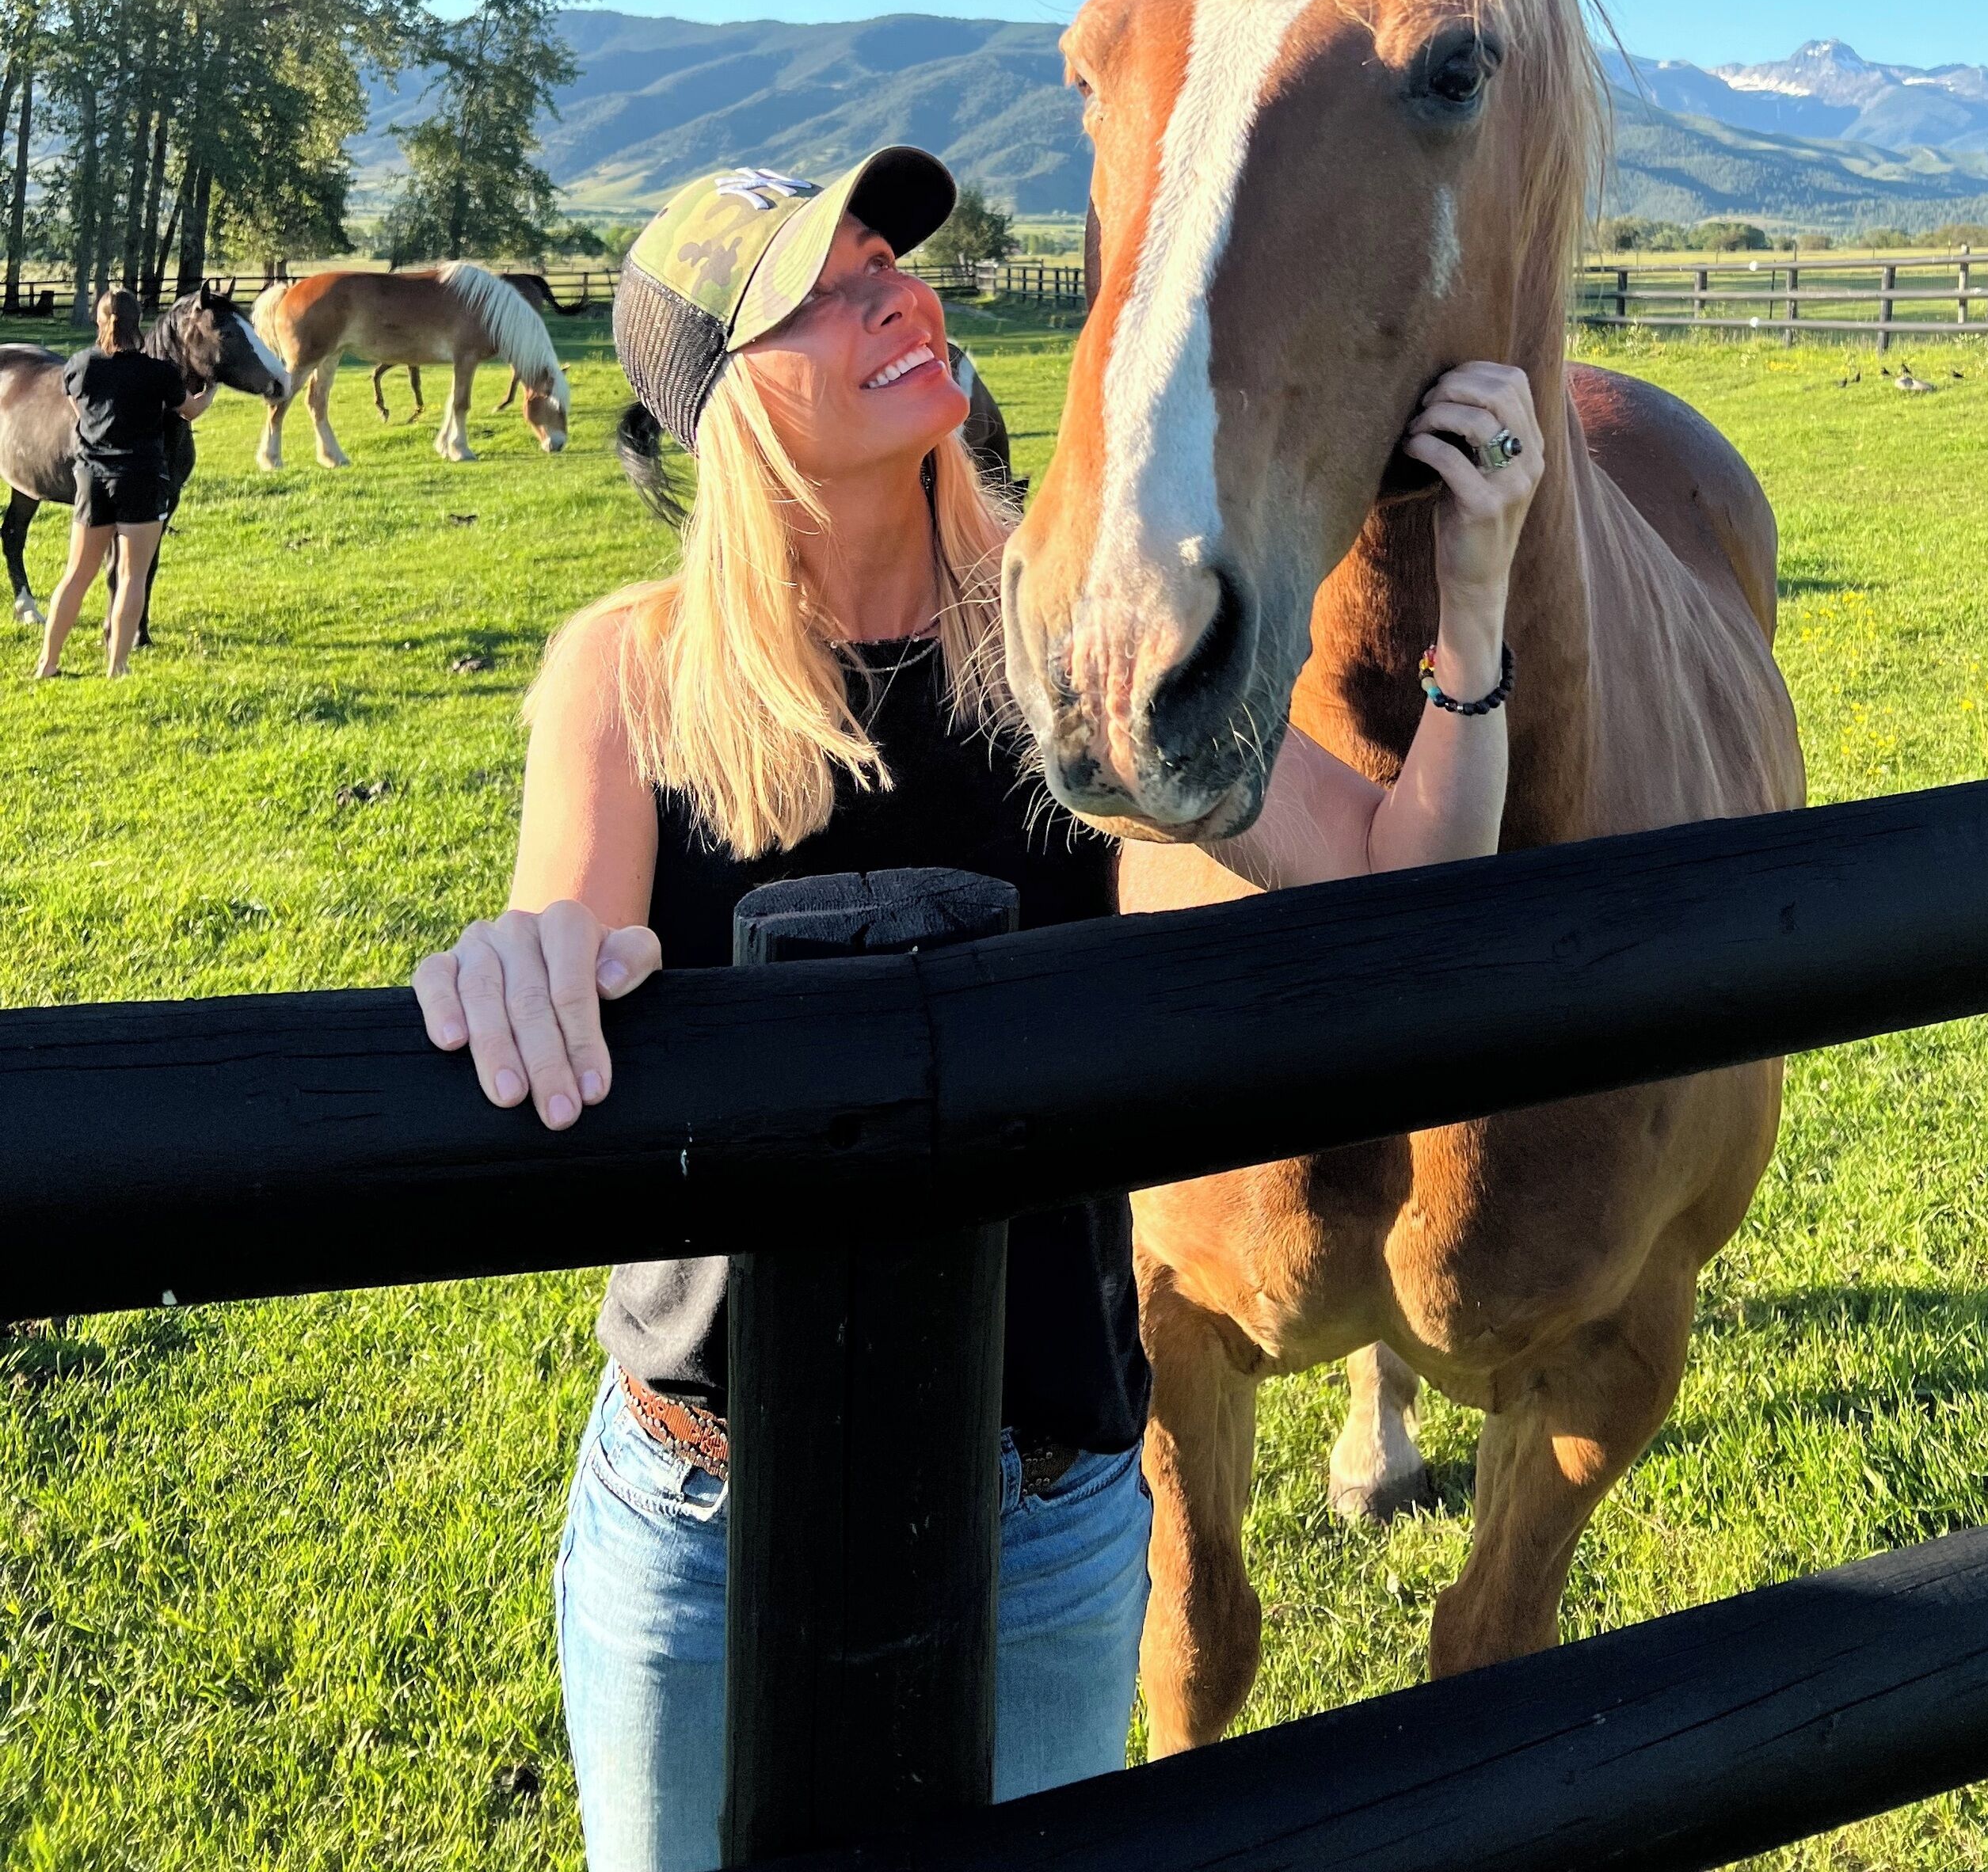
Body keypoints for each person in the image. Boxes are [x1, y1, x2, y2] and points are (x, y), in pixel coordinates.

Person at [413, 149, 1545, 1872]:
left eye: (894, 259)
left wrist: (1474, 596)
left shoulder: (1061, 650)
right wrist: (516, 962)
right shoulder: (629, 675)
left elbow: (1395, 879)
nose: (903, 295)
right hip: (698, 1501)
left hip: (1051, 1495)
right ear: (731, 401)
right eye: (832, 288)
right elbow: (559, 939)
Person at [38, 287, 211, 680]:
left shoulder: (80, 365)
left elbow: (78, 410)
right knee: (132, 577)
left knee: (76, 575)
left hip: (92, 480)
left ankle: (48, 664)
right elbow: (191, 411)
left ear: (100, 321)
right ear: (140, 324)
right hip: (142, 479)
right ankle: (117, 667)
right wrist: (211, 388)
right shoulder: (158, 373)